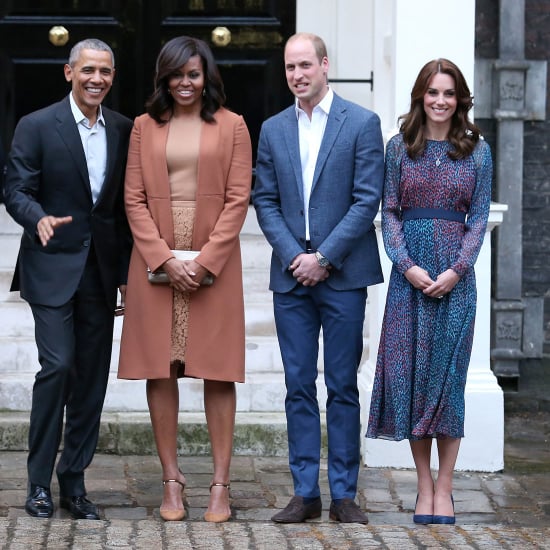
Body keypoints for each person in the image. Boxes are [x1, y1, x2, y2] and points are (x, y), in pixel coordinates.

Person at [118, 36, 252, 523]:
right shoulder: (142, 126)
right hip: (155, 258)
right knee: (162, 368)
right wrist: (163, 257)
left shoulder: (234, 125)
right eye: (176, 74)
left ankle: (220, 485)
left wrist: (206, 261)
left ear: (206, 76)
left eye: (193, 74)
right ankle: (171, 482)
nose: (184, 83)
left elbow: (239, 199)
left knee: (217, 370)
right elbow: (132, 197)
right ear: (164, 78)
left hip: (214, 260)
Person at [253, 32, 384, 524]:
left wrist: (324, 256)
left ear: (325, 65)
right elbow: (264, 199)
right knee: (298, 384)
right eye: (290, 67)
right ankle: (305, 492)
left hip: (344, 276)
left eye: (305, 65)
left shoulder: (361, 123)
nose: (297, 75)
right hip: (291, 279)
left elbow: (366, 198)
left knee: (343, 384)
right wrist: (295, 255)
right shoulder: (272, 129)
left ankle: (344, 493)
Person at [3, 38, 133, 519]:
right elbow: (16, 187)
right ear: (68, 72)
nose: (96, 79)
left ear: (112, 77)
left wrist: (124, 274)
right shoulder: (36, 126)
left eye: (104, 71)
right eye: (87, 70)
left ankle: (72, 483)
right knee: (57, 368)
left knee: (91, 382)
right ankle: (37, 483)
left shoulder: (123, 129)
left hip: (100, 273)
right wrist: (35, 216)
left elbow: (121, 209)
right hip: (51, 266)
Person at [366, 59, 492, 525]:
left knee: (447, 386)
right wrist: (408, 266)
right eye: (432, 92)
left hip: (457, 284)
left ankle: (446, 487)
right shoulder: (399, 148)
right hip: (409, 283)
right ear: (421, 96)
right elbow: (391, 213)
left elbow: (478, 218)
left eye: (449, 93)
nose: (440, 101)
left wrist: (458, 269)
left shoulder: (478, 150)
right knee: (413, 382)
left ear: (460, 99)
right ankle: (423, 487)